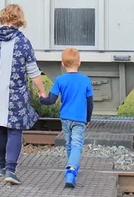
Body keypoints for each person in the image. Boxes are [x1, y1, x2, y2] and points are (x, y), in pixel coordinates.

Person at [0, 4, 46, 185]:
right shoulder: (23, 42)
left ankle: (0, 167)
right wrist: (42, 90)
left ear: (2, 18)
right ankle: (11, 170)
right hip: (16, 93)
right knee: (15, 130)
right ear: (19, 19)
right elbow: (33, 71)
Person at [39, 47, 93, 188]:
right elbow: (90, 102)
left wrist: (41, 98)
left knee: (69, 143)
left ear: (62, 64)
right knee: (77, 144)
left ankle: (71, 167)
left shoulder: (60, 80)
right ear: (79, 62)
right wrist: (88, 118)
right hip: (80, 118)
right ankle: (72, 169)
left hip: (65, 118)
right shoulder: (85, 80)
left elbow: (51, 100)